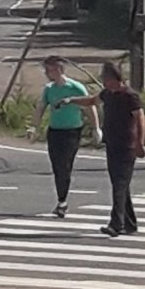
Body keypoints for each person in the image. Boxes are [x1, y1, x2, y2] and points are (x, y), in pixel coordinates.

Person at [56, 61, 145, 237]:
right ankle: (129, 223)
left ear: (114, 78)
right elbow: (92, 100)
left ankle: (116, 224)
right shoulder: (107, 94)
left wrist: (140, 143)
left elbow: (140, 119)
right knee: (120, 185)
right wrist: (71, 100)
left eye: (106, 79)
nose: (104, 82)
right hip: (112, 143)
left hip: (127, 145)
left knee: (119, 184)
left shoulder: (130, 96)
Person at [27, 56, 101, 218]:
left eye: (49, 70)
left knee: (65, 166)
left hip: (72, 132)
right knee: (57, 166)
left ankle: (62, 200)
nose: (46, 73)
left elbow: (90, 107)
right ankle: (62, 200)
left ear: (59, 70)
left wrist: (96, 128)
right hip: (55, 131)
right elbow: (41, 108)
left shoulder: (75, 87)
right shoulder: (49, 89)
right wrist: (34, 127)